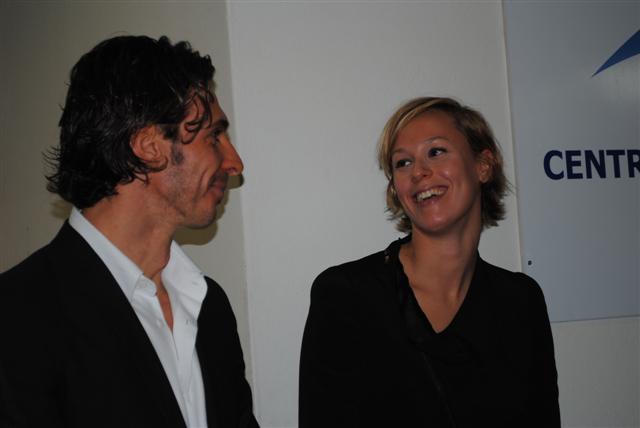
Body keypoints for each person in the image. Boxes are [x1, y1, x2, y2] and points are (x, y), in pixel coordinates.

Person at [0, 35, 259, 428]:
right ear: (148, 146)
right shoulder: (17, 316)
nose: (235, 162)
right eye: (213, 137)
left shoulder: (209, 307)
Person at [299, 97, 560, 428]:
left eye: (436, 152)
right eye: (403, 163)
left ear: (483, 165)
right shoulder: (346, 295)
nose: (419, 172)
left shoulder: (521, 300)